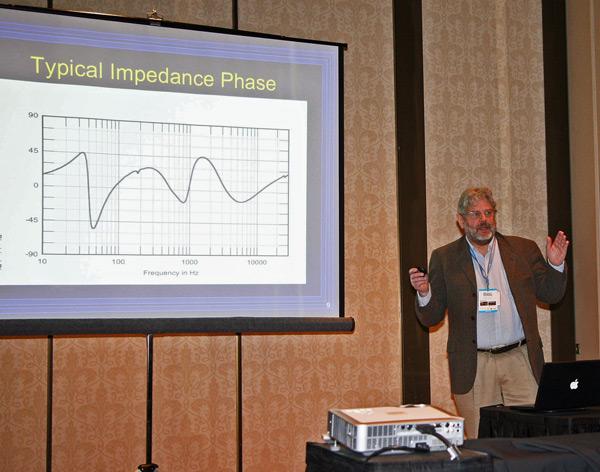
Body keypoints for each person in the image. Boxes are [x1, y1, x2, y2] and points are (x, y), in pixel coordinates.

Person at [408, 187, 569, 438]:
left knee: (533, 437)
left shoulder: (523, 249)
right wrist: (425, 292)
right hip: (475, 364)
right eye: (475, 214)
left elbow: (551, 294)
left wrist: (556, 265)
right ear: (461, 220)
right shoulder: (444, 258)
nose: (483, 220)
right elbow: (431, 317)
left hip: (521, 359)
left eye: (488, 213)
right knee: (480, 440)